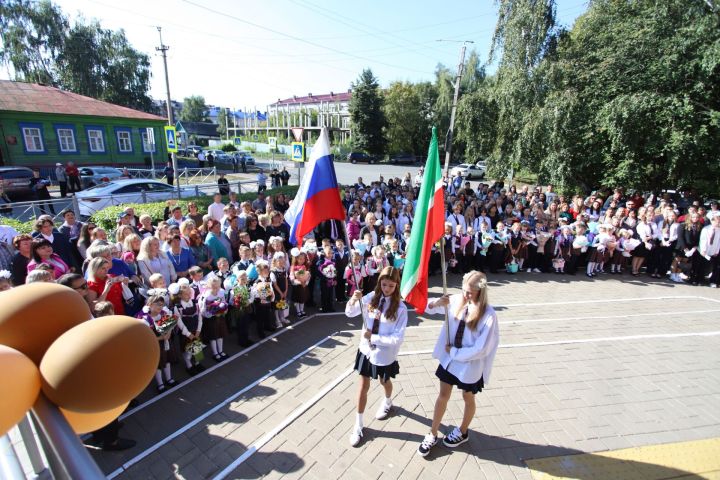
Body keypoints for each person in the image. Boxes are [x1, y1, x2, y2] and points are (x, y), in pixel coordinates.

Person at [418, 271, 500, 457]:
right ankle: (432, 432)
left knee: (467, 397)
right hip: (450, 361)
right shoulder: (457, 299)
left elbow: (482, 348)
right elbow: (429, 307)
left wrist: (455, 352)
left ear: (480, 291)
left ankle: (463, 430)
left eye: (470, 292)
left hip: (469, 364)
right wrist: (438, 303)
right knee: (442, 395)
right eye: (464, 290)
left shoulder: (489, 314)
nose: (465, 295)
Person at [345, 266, 407, 447]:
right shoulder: (371, 297)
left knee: (384, 381)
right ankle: (358, 424)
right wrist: (353, 300)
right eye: (384, 284)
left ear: (397, 286)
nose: (386, 288)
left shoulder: (400, 308)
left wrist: (374, 337)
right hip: (366, 350)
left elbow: (397, 338)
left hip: (384, 354)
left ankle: (388, 401)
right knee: (363, 385)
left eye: (390, 285)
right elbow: (350, 313)